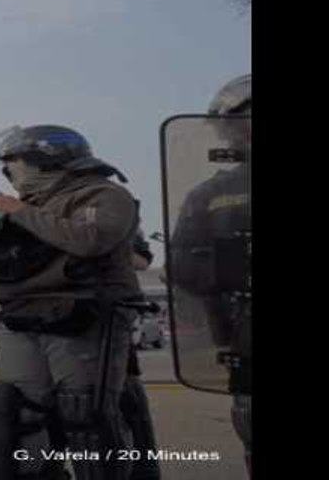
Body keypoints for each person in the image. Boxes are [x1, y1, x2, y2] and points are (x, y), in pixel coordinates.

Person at [0, 126, 141, 480]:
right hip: (19, 316)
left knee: (84, 412)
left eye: (13, 164)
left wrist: (18, 212)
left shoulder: (104, 194)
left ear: (45, 159)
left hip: (82, 314)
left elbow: (90, 239)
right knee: (16, 412)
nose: (9, 174)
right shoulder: (25, 206)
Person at [167, 74, 251, 474]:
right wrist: (227, 268)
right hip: (245, 332)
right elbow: (179, 262)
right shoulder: (210, 194)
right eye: (239, 122)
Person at [119, 232, 160, 480]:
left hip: (105, 328)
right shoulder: (23, 210)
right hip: (34, 323)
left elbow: (141, 260)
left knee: (127, 403)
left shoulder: (109, 202)